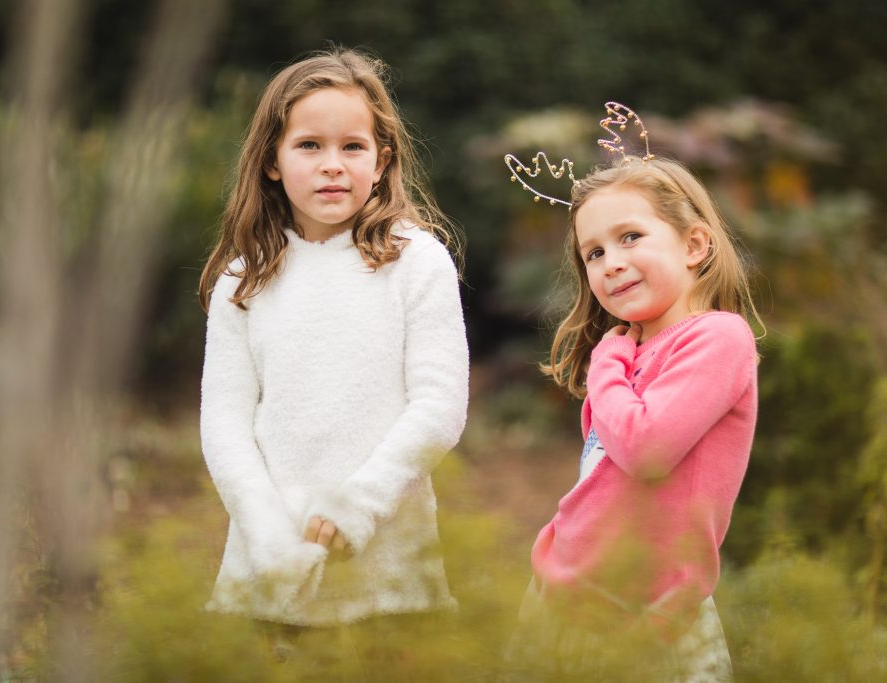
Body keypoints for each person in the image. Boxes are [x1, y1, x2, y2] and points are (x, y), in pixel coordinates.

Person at [197, 47, 468, 639]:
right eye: (309, 145)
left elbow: (439, 408)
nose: (332, 165)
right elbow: (224, 422)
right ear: (272, 159)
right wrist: (266, 532)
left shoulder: (417, 262)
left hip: (390, 586)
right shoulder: (243, 281)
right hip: (266, 580)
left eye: (352, 146)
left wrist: (357, 507)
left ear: (381, 159)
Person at [506, 149, 763, 680]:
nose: (611, 261)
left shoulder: (715, 337)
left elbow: (646, 451)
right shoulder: (628, 351)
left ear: (694, 244)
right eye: (593, 253)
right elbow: (601, 478)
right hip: (559, 596)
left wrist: (605, 357)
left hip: (648, 617)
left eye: (630, 237)